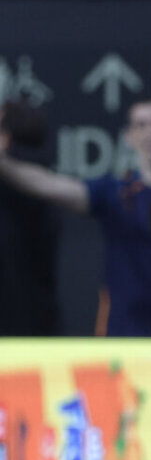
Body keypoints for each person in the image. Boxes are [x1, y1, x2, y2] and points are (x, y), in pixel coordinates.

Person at [0, 95, 151, 337]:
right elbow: (49, 185)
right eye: (142, 125)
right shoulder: (115, 192)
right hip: (125, 335)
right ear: (129, 136)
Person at [0, 99, 58, 335]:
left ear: (6, 137)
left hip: (16, 316)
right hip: (38, 318)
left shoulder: (24, 180)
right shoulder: (45, 174)